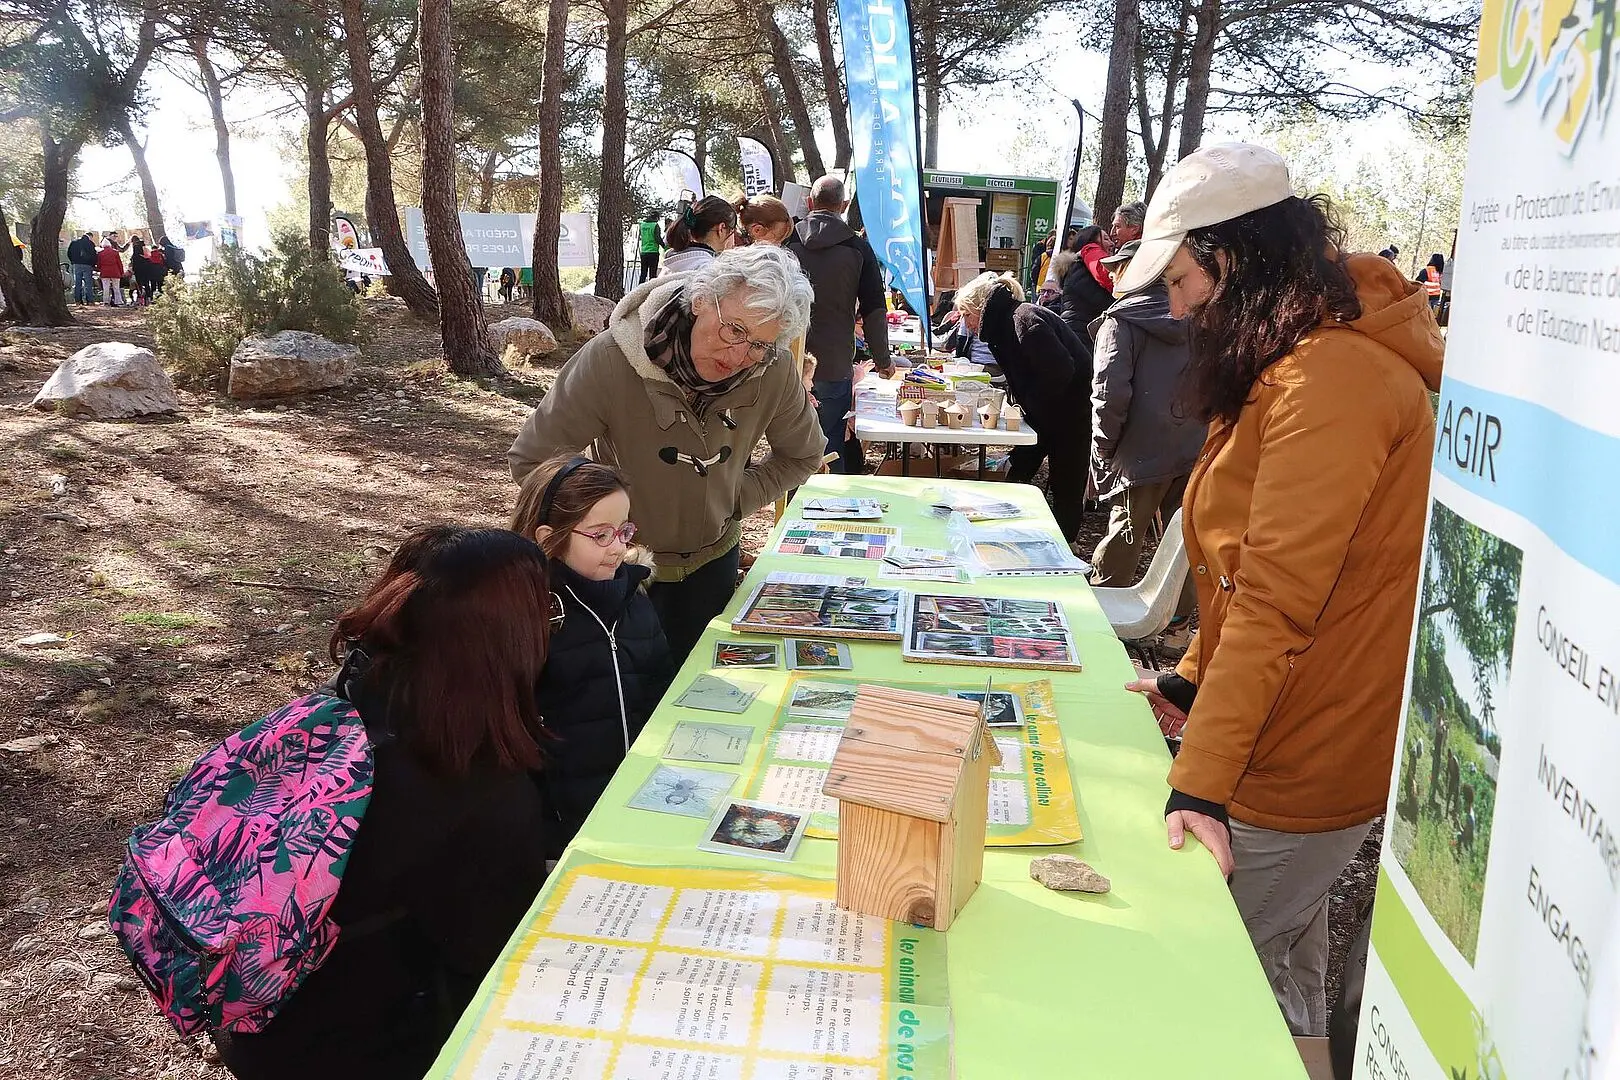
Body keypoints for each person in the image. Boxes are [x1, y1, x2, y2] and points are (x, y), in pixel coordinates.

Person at [1118, 142, 1443, 1037]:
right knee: (1281, 984)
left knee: (1192, 991)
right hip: (1279, 722)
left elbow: (1275, 603)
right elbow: (1238, 572)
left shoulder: (1329, 380)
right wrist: (1191, 679)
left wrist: (1199, 788)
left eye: (1181, 281)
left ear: (1232, 258)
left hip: (1301, 750)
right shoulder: (1288, 360)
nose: (1176, 307)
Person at [207, 527, 556, 1079]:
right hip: (357, 1046)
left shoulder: (341, 704)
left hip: (257, 1012)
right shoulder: (483, 790)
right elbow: (493, 962)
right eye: (547, 616)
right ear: (506, 643)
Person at [508, 243, 825, 663]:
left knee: (701, 688)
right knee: (624, 695)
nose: (738, 356)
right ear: (701, 300)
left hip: (713, 563)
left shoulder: (773, 368)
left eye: (758, 345)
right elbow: (534, 461)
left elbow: (803, 455)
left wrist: (735, 497)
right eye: (733, 330)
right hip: (619, 570)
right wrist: (605, 529)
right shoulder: (610, 359)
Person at [512, 455, 674, 856]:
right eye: (600, 535)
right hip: (564, 823)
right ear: (548, 537)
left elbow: (661, 688)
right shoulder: (530, 618)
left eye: (624, 531)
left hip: (642, 801)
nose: (618, 547)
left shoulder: (635, 598)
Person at [1086, 238, 1202, 636]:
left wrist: (1102, 448)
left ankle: (1102, 621)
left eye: (1118, 268)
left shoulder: (1121, 321)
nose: (1112, 276)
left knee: (1125, 533)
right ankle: (1178, 624)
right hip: (1193, 441)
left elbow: (1108, 394)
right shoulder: (1198, 314)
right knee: (1183, 539)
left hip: (1139, 449)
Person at [953, 272, 1091, 542]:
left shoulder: (1023, 319)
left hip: (1070, 412)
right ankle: (1007, 529)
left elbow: (1061, 368)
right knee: (1019, 469)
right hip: (1048, 410)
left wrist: (1033, 405)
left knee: (1066, 485)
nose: (965, 324)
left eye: (967, 315)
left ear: (980, 307)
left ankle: (1065, 546)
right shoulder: (1003, 323)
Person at [787, 175, 894, 474]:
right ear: (844, 205)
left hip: (790, 359)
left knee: (790, 446)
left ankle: (794, 500)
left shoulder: (788, 242)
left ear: (810, 202)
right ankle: (829, 500)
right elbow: (874, 309)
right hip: (833, 363)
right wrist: (883, 360)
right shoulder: (858, 248)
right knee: (831, 445)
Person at [1051, 240, 1114, 340]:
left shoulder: (1075, 268)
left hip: (1078, 330)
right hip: (1080, 333)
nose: (1111, 243)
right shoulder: (1080, 269)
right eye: (1105, 239)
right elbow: (1102, 300)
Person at [660, 196, 736, 275]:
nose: (734, 241)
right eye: (733, 231)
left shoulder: (669, 266)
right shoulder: (715, 274)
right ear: (721, 229)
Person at [66, 231, 97, 305]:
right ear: (89, 237)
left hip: (77, 264)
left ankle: (78, 301)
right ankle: (90, 301)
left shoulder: (74, 243)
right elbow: (94, 255)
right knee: (88, 283)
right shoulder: (90, 243)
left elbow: (69, 253)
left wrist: (73, 261)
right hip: (87, 265)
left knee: (77, 283)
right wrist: (93, 264)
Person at [637, 210, 665, 282]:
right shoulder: (655, 225)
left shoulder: (642, 225)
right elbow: (657, 238)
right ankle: (651, 288)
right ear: (657, 217)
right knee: (652, 274)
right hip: (653, 252)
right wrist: (664, 246)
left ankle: (640, 287)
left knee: (643, 273)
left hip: (644, 252)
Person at [95, 239, 125, 306]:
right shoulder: (115, 252)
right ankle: (118, 301)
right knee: (116, 287)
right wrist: (121, 272)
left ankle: (106, 301)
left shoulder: (100, 253)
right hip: (115, 271)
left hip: (105, 272)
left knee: (105, 287)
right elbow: (119, 263)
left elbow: (99, 264)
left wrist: (99, 269)